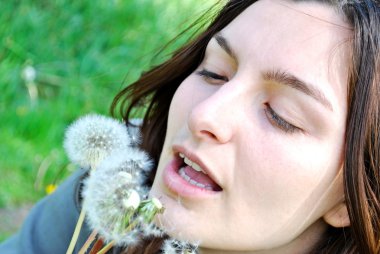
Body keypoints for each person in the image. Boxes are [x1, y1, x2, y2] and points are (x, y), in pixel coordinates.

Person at [1, 0, 380, 253]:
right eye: (214, 73)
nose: (204, 116)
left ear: (352, 198)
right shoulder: (117, 177)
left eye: (281, 115)